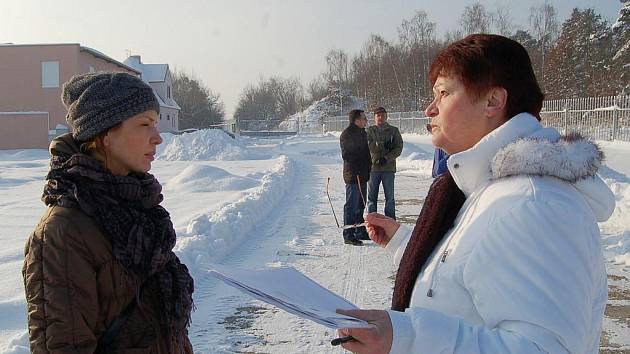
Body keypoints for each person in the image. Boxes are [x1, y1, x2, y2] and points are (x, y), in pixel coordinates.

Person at [336, 34, 615, 353]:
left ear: (493, 101)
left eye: (443, 93)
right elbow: (474, 269)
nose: (430, 109)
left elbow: (544, 348)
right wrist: (406, 243)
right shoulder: (494, 188)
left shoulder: (533, 204)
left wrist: (408, 336)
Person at [23, 72, 195, 353]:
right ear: (104, 135)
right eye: (145, 124)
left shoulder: (141, 211)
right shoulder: (63, 233)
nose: (158, 138)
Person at [340, 109, 371, 246]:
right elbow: (347, 155)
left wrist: (368, 167)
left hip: (363, 174)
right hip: (353, 175)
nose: (366, 120)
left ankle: (359, 230)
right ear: (357, 120)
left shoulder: (362, 133)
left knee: (360, 204)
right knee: (351, 205)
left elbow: (366, 153)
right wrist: (359, 167)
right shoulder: (347, 134)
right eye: (364, 118)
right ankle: (349, 234)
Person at [366, 107, 403, 220]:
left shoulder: (394, 131)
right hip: (373, 168)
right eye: (378, 116)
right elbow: (368, 146)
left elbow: (398, 148)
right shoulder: (369, 130)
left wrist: (387, 158)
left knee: (390, 198)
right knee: (371, 198)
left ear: (386, 116)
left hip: (388, 168)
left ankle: (391, 221)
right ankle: (372, 222)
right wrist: (382, 145)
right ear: (374, 117)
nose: (380, 118)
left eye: (382, 115)